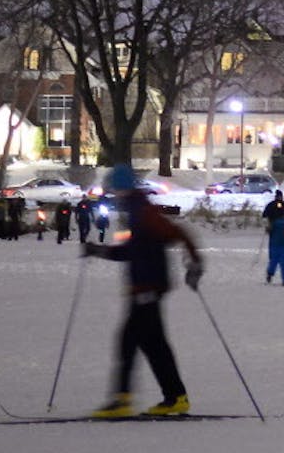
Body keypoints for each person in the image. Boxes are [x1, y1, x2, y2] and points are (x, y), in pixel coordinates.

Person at [85, 164, 204, 419]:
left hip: (148, 290)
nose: (113, 195)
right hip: (145, 288)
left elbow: (179, 232)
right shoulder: (136, 213)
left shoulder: (144, 213)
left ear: (123, 188)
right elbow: (130, 252)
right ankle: (175, 397)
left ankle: (123, 400)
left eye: (114, 190)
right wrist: (99, 250)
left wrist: (195, 264)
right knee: (153, 345)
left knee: (129, 341)